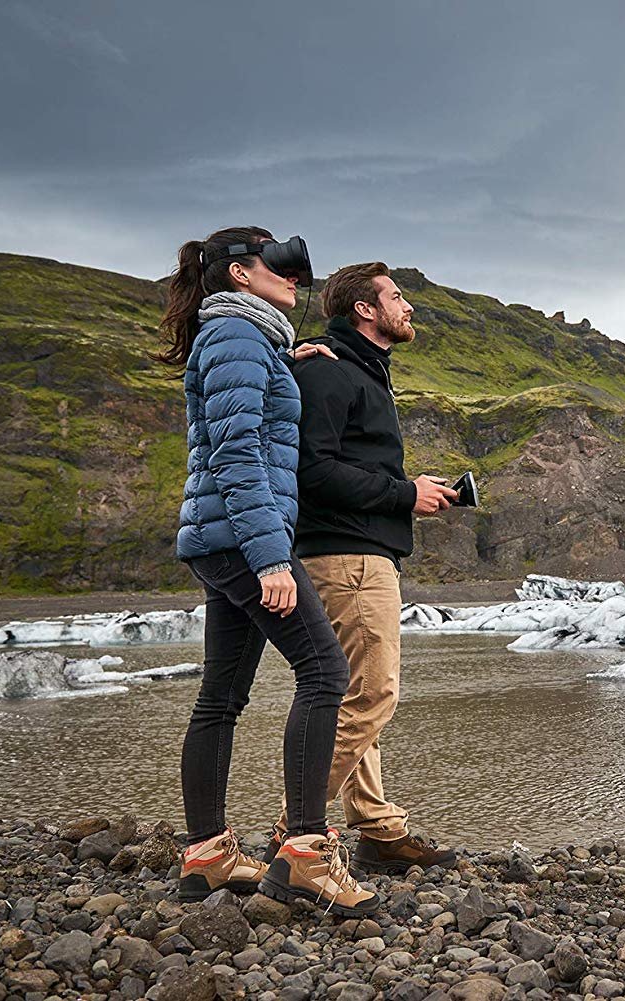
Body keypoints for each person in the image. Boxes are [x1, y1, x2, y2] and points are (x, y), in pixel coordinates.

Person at [158, 226, 380, 916]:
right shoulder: (232, 338)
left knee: (221, 695)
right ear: (239, 274)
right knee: (325, 673)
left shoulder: (248, 339)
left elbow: (251, 423)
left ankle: (209, 856)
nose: (292, 276)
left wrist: (286, 355)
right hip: (242, 540)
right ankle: (307, 856)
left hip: (225, 537)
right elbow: (235, 454)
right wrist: (270, 557)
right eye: (275, 265)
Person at [266, 261, 461, 874]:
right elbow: (313, 471)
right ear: (365, 311)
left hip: (354, 551)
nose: (409, 308)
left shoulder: (357, 372)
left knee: (355, 693)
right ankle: (292, 828)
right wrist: (405, 494)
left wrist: (409, 490)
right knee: (374, 693)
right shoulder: (330, 373)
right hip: (346, 558)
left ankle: (377, 827)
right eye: (397, 298)